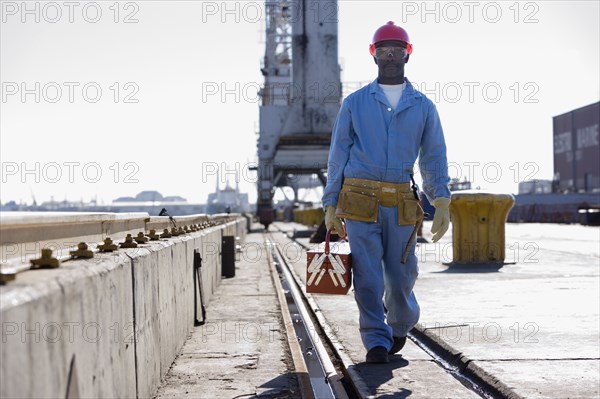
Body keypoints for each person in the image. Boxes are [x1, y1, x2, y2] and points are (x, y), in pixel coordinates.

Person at [322, 21, 451, 364]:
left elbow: (434, 156)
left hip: (401, 202)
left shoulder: (423, 106)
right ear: (373, 55)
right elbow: (338, 156)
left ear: (408, 54)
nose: (390, 56)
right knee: (367, 274)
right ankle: (376, 340)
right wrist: (330, 203)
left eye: (396, 50)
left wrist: (442, 200)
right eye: (383, 51)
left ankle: (398, 326)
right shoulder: (354, 104)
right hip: (360, 200)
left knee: (402, 274)